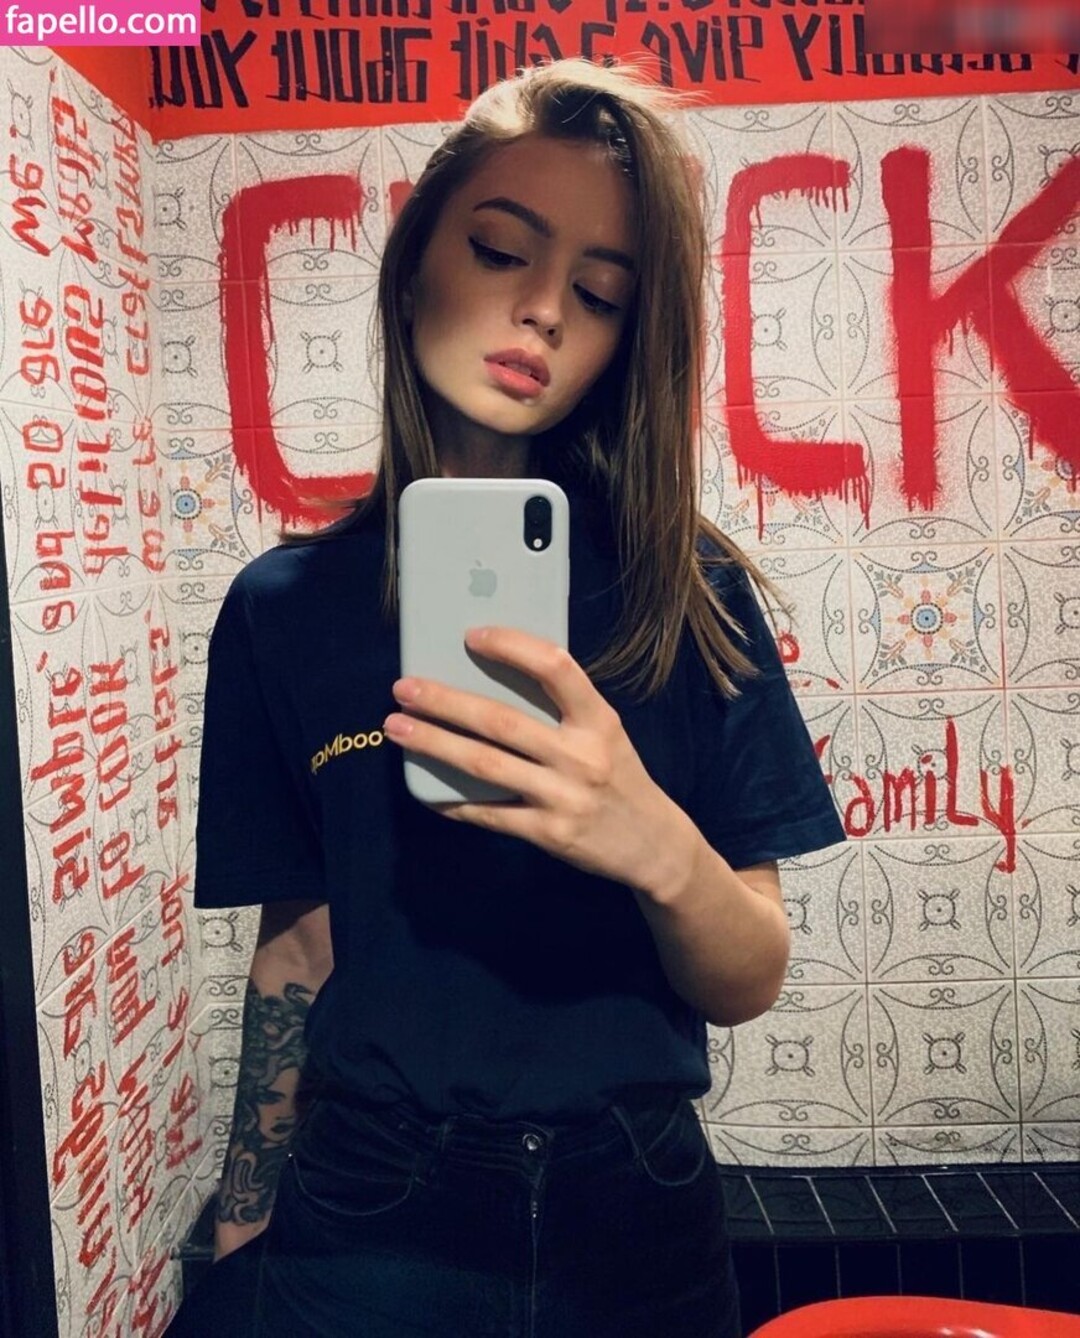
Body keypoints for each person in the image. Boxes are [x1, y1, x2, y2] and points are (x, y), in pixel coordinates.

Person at [192, 57, 846, 1338]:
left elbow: (748, 975)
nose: (544, 311)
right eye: (500, 250)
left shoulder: (686, 591)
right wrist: (242, 1218)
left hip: (633, 1214)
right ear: (414, 266)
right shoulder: (282, 608)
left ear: (623, 342)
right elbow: (301, 942)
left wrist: (651, 841)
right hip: (369, 1208)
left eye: (599, 294)